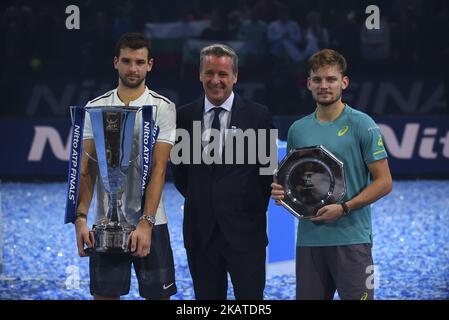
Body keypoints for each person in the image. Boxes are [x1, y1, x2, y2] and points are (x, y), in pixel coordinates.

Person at [271, 49, 393, 300]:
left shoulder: (363, 124)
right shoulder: (298, 129)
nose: (324, 85)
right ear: (308, 84)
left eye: (331, 79)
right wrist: (282, 192)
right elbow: (296, 180)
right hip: (309, 241)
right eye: (317, 80)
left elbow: (384, 182)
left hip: (352, 239)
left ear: (343, 83)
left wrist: (345, 207)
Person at [74, 32, 177, 300]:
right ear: (116, 63)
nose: (133, 69)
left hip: (152, 221)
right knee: (105, 297)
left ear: (150, 65)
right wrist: (81, 219)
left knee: (159, 297)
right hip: (104, 222)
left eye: (140, 62)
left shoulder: (163, 108)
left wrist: (146, 222)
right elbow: (87, 169)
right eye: (127, 61)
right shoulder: (95, 107)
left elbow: (159, 168)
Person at [172, 44, 274, 300]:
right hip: (200, 235)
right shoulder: (183, 117)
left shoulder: (258, 116)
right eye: (209, 73)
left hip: (246, 235)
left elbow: (267, 174)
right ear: (199, 75)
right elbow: (181, 176)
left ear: (235, 76)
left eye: (222, 74)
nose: (215, 80)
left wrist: (243, 211)